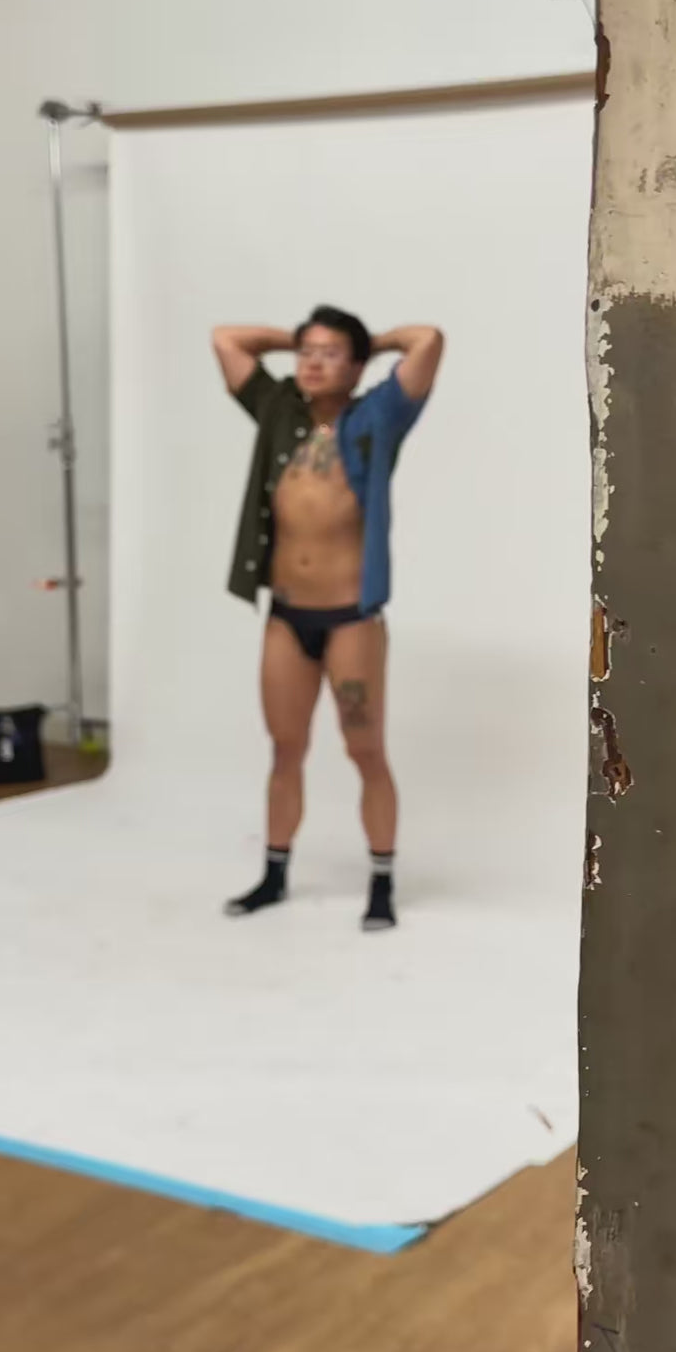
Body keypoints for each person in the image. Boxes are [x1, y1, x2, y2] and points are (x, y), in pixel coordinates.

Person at [213, 306, 445, 930]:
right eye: (306, 352)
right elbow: (226, 340)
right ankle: (274, 874)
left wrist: (371, 343)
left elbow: (427, 342)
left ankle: (381, 882)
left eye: (330, 353)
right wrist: (298, 339)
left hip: (350, 619)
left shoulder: (378, 416)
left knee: (365, 750)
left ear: (358, 364)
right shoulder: (278, 409)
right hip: (287, 617)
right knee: (285, 749)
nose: (312, 363)